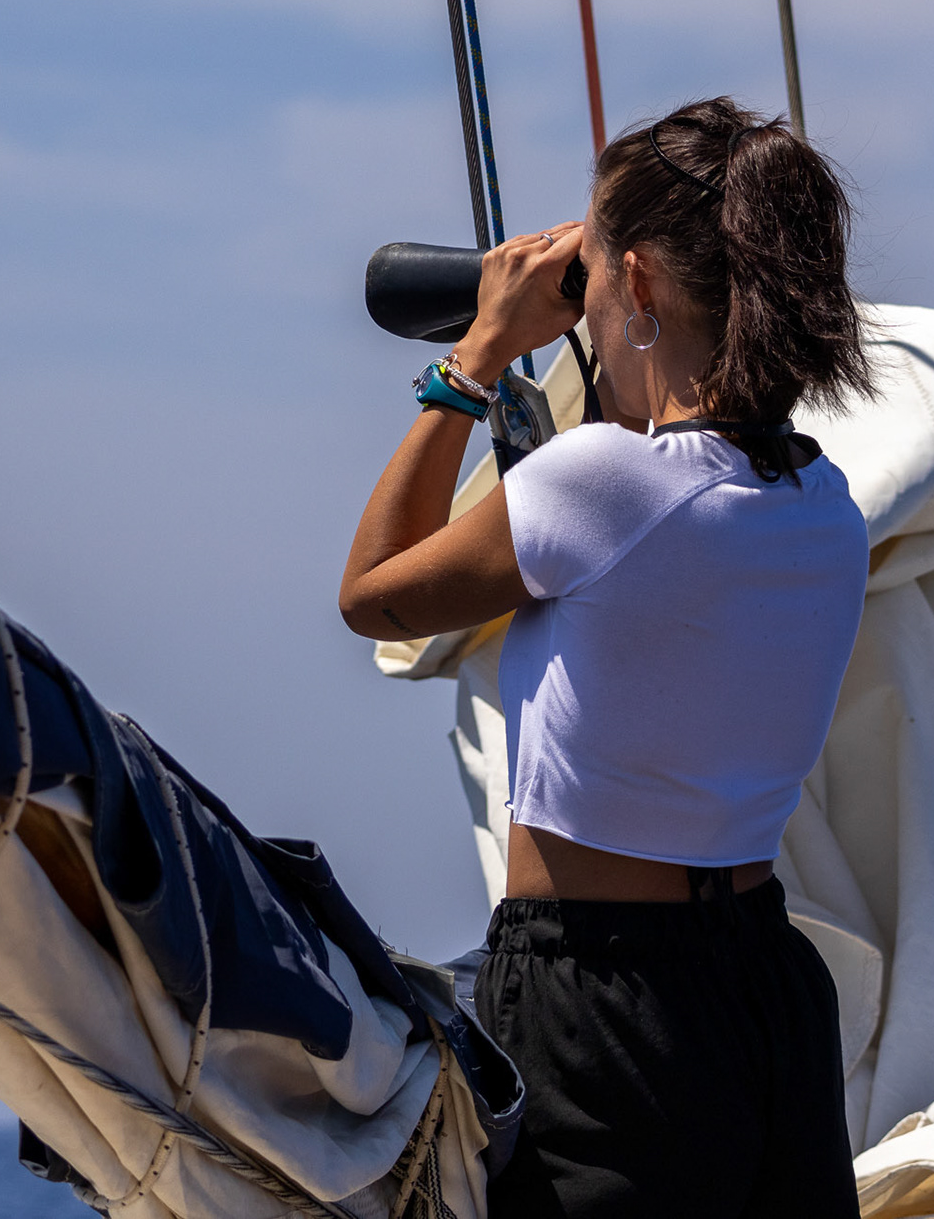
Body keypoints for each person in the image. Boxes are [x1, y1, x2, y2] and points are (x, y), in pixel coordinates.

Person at [339, 97, 874, 1217]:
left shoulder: (596, 487)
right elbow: (672, 490)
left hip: (601, 994)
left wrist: (477, 356)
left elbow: (373, 593)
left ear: (635, 281)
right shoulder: (821, 501)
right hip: (767, 989)